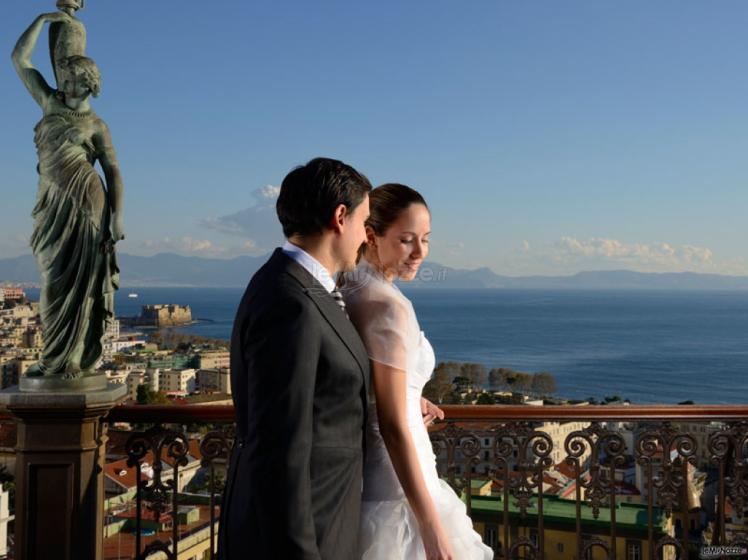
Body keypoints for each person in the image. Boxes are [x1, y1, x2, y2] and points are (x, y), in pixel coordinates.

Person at [218, 158, 372, 560]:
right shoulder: (291, 302)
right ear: (341, 217)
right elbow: (279, 450)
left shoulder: (291, 284)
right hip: (304, 537)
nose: (366, 238)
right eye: (364, 223)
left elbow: (326, 400)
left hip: (323, 524)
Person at [342, 184, 493, 560]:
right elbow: (392, 426)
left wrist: (411, 396)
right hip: (399, 486)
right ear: (372, 236)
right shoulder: (388, 306)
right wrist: (430, 526)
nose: (420, 252)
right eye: (407, 240)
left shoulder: (350, 288)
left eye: (425, 239)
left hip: (365, 479)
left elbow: (358, 374)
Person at [12, 12, 124, 377]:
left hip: (88, 204)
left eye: (71, 78)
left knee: (80, 284)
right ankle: (52, 357)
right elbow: (19, 60)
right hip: (51, 204)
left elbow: (113, 171)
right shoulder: (49, 103)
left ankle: (71, 357)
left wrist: (116, 217)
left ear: (87, 84)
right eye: (63, 76)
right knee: (52, 278)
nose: (63, 81)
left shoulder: (96, 125)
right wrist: (43, 19)